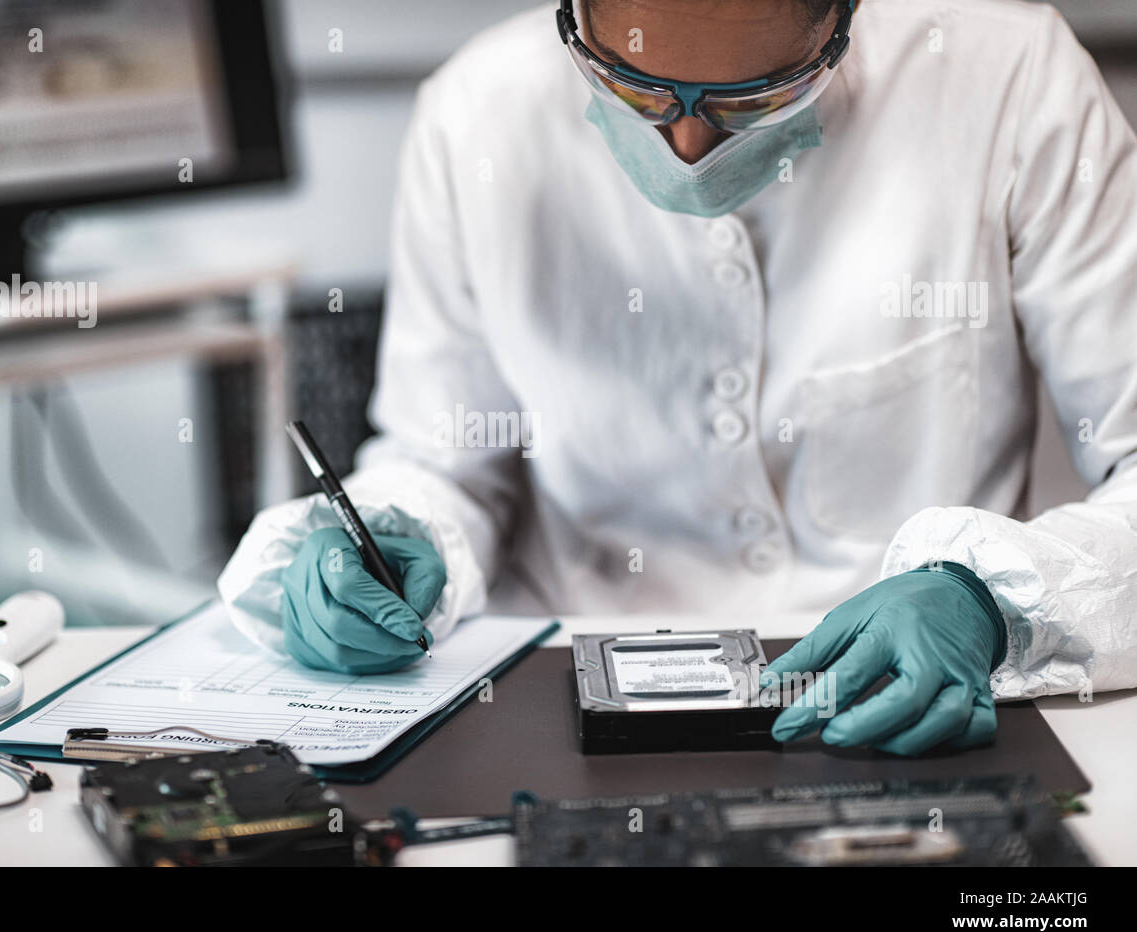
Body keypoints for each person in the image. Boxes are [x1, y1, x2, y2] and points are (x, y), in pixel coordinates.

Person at [219, 0, 1137, 754]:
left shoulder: (1011, 81)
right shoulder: (475, 118)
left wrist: (989, 598)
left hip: (909, 698)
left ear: (842, 24)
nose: (690, 146)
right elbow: (450, 458)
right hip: (563, 702)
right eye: (633, 88)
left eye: (756, 99)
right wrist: (400, 533)